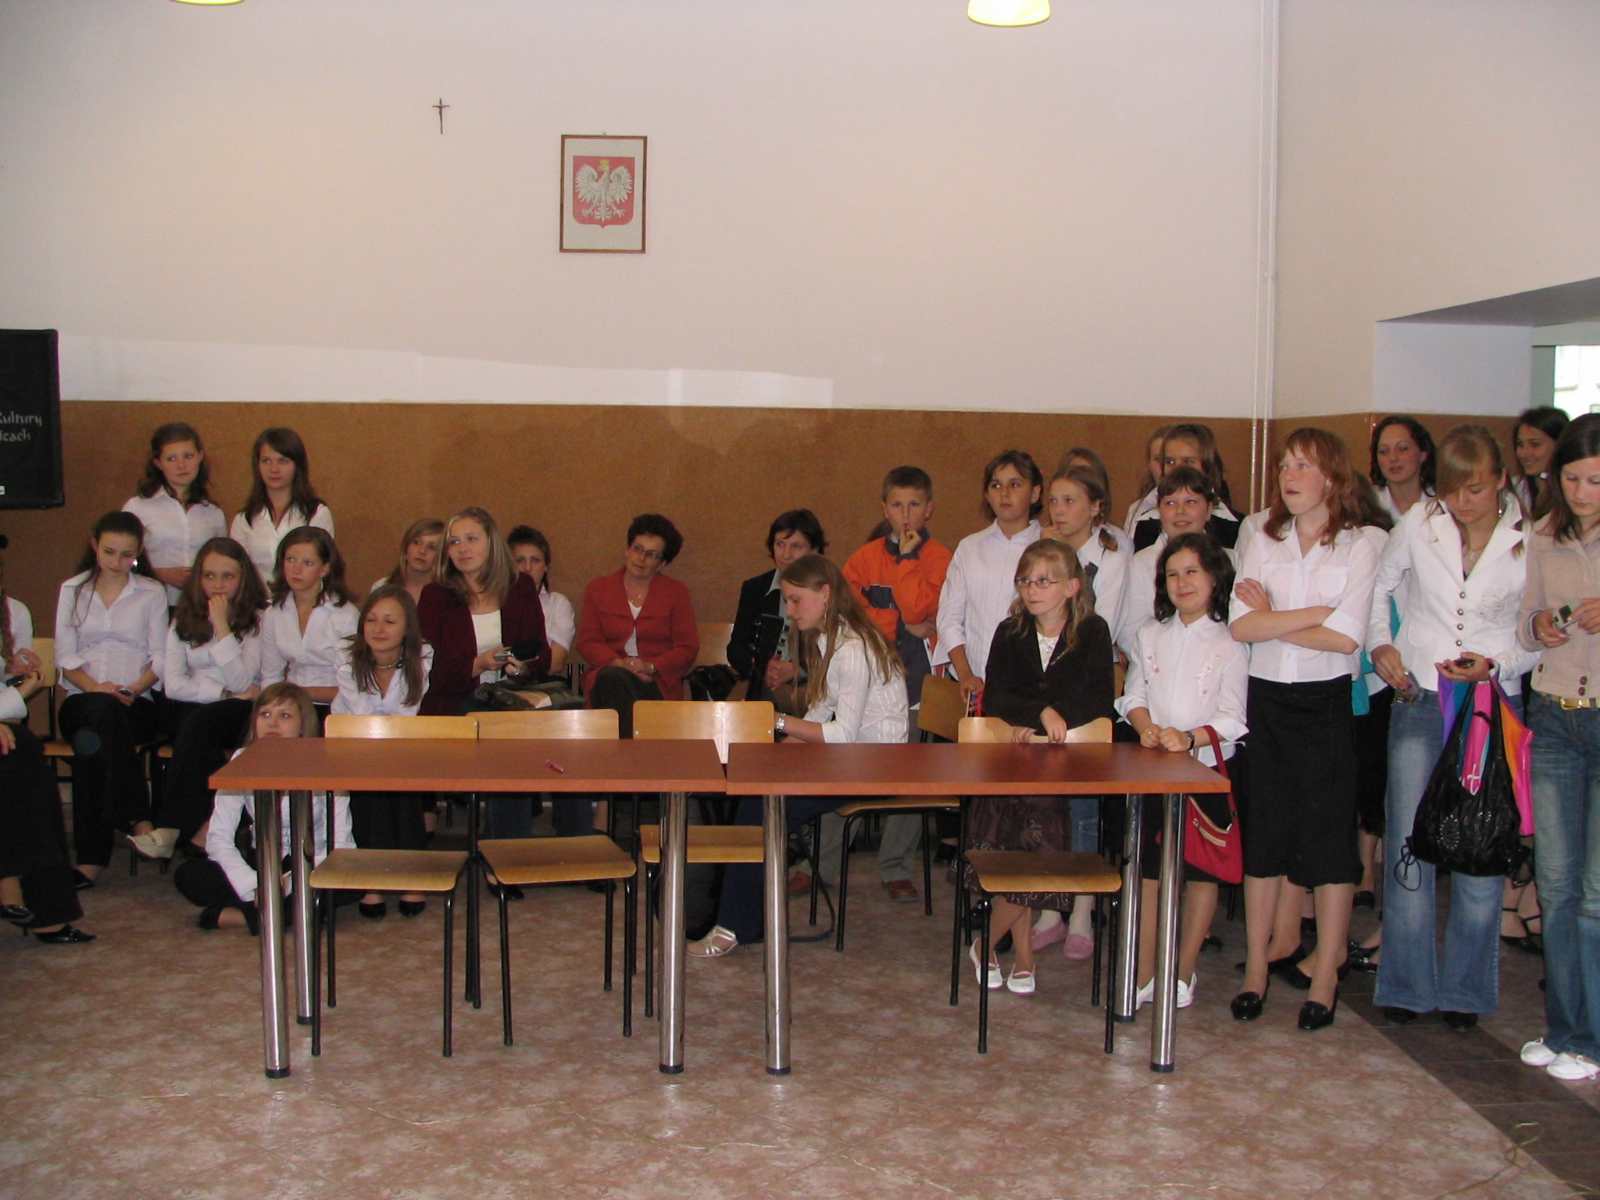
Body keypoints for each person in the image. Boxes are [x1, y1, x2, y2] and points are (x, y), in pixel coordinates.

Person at [1367, 425, 1535, 1029]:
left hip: (1491, 703)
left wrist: (1498, 664)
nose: (1464, 502)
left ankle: (1466, 991)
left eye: (1477, 489)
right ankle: (1406, 984)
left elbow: (1535, 632)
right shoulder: (1420, 522)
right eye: (1453, 490)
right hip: (1419, 695)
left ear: (1501, 481)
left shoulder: (1528, 539)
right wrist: (1380, 645)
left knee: (1481, 843)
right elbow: (1380, 586)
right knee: (1409, 840)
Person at [1229, 428, 1380, 1032]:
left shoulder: (1359, 544)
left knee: (1328, 838)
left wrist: (1274, 617)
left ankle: (1325, 978)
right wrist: (1313, 615)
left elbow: (1347, 639)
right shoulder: (1262, 538)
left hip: (1325, 703)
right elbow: (1241, 627)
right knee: (1265, 834)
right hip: (1267, 699)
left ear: (1332, 477)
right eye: (1284, 466)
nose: (1289, 476)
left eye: (1302, 466)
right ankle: (1255, 971)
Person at [689, 554, 908, 958]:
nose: (789, 611)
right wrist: (784, 746)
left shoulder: (852, 648)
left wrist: (778, 722)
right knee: (756, 791)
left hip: (876, 765)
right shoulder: (830, 638)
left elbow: (842, 735)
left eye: (795, 600)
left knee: (763, 805)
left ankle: (735, 925)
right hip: (854, 757)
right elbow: (823, 708)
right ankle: (744, 918)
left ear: (825, 594)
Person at [963, 538, 1115, 993]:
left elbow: (1097, 698)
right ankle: (1024, 953)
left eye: (1044, 581)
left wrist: (1050, 719)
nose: (1032, 589)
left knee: (1040, 857)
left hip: (1069, 762)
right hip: (1014, 762)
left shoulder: (1093, 631)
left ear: (1072, 587)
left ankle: (986, 942)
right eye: (1025, 581)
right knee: (1019, 854)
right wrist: (1036, 716)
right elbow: (999, 695)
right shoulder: (1009, 631)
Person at [1119, 533, 1247, 1009]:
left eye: (1192, 572)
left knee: (1201, 872)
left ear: (1214, 578)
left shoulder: (1231, 642)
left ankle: (1184, 967)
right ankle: (1144, 969)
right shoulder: (1150, 634)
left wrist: (1190, 738)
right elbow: (1133, 694)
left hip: (1206, 769)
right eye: (1172, 574)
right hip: (1154, 769)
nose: (1182, 582)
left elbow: (1234, 716)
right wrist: (1146, 727)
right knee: (1150, 871)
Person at [1517, 413, 1600, 1081]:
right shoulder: (1543, 534)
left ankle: (1592, 1040)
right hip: (1553, 716)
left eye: (1595, 481)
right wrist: (1540, 625)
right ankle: (1565, 1028)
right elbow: (1525, 623)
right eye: (1571, 479)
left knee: (1596, 893)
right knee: (1557, 884)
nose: (1581, 492)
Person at [836, 467, 953, 903]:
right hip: (870, 678)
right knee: (844, 767)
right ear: (884, 509)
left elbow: (921, 607)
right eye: (897, 505)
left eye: (915, 505)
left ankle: (896, 866)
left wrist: (905, 563)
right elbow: (848, 615)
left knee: (912, 774)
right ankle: (820, 864)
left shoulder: (940, 558)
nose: (906, 515)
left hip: (920, 681)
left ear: (929, 509)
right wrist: (898, 621)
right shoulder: (863, 559)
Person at [174, 684, 352, 932]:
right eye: (265, 714)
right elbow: (218, 838)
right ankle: (280, 913)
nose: (272, 723)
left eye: (285, 716)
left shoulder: (327, 763)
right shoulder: (241, 760)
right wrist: (255, 885)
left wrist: (287, 884)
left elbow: (343, 846)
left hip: (313, 861)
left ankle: (245, 915)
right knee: (189, 875)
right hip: (262, 861)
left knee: (345, 883)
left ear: (303, 725)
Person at [131, 538, 268, 861]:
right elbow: (173, 685)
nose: (217, 585)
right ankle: (208, 829)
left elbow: (241, 680)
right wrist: (220, 693)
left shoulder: (259, 619)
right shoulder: (183, 618)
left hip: (238, 712)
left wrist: (221, 627)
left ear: (243, 578)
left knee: (200, 725)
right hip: (197, 707)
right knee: (196, 728)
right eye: (209, 576)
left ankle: (172, 827)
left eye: (227, 576)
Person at [418, 508, 550, 840]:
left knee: (519, 731)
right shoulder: (436, 596)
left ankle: (513, 846)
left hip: (511, 699)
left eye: (471, 539)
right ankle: (502, 845)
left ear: (491, 543)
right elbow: (431, 669)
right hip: (455, 701)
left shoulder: (520, 588)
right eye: (454, 542)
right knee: (502, 734)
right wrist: (477, 664)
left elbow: (541, 654)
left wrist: (522, 666)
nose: (462, 548)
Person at [55, 512, 168, 885]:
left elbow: (160, 656)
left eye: (127, 554)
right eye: (109, 552)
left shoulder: (151, 592)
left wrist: (132, 688)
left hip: (136, 702)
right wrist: (95, 687)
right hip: (81, 698)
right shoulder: (73, 589)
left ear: (138, 553)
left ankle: (91, 860)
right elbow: (65, 656)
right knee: (98, 715)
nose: (117, 562)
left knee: (90, 746)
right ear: (94, 545)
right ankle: (137, 816)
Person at [1, 536, 93, 943]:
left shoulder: (12, 611)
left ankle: (37, 903)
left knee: (25, 758)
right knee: (21, 756)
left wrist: (15, 672)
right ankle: (19, 891)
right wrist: (18, 693)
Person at [336, 585, 435, 917]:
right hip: (353, 744)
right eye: (371, 620)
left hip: (402, 744)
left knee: (402, 776)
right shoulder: (346, 656)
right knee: (370, 779)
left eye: (390, 621)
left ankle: (411, 874)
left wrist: (387, 736)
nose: (378, 629)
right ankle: (372, 879)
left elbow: (407, 713)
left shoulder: (423, 655)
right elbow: (361, 715)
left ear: (407, 628)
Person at [936, 450, 1044, 705]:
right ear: (986, 494)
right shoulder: (969, 548)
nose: (1004, 493)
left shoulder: (1048, 549)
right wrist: (965, 674)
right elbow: (949, 618)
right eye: (996, 485)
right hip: (972, 685)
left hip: (1029, 689)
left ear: (1035, 493)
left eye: (1015, 484)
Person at [576, 514, 697, 739]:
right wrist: (619, 664)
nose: (641, 559)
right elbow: (588, 641)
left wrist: (650, 667)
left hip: (656, 683)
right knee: (613, 679)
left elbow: (687, 648)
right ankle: (631, 751)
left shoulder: (676, 593)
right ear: (627, 550)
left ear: (662, 563)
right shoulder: (598, 589)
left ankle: (619, 753)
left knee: (617, 686)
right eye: (637, 549)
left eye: (651, 555)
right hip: (608, 676)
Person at [1115, 466, 1225, 659]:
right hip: (1155, 663)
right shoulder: (1140, 563)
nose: (1180, 511)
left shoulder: (1230, 559)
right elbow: (1129, 631)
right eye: (1170, 503)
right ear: (1159, 510)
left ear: (1209, 510)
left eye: (1191, 502)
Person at [728, 509, 827, 709]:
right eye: (779, 544)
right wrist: (763, 670)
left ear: (814, 550)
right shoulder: (755, 588)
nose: (786, 555)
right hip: (763, 684)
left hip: (812, 688)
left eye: (796, 546)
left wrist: (797, 670)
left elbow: (836, 653)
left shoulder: (827, 590)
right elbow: (736, 648)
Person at [122, 422, 227, 604]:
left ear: (200, 456)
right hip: (149, 603)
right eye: (171, 458)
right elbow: (122, 559)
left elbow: (223, 562)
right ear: (158, 463)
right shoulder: (138, 507)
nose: (181, 465)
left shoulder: (213, 513)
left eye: (188, 456)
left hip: (201, 605)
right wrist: (158, 573)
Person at [259, 527, 358, 707]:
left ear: (324, 569)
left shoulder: (345, 615)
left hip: (337, 706)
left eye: (307, 563)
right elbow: (271, 676)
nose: (296, 569)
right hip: (291, 705)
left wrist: (301, 693)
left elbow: (354, 685)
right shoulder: (274, 613)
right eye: (290, 560)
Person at [230, 427, 336, 581]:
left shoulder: (316, 513)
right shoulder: (244, 519)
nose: (274, 469)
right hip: (256, 596)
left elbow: (322, 568)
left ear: (297, 465)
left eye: (282, 461)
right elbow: (237, 571)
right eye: (266, 461)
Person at [1131, 423, 1240, 551]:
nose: (1178, 469)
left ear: (1207, 466)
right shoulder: (1146, 525)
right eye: (1170, 462)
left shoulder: (1234, 527)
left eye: (1188, 461)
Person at [507, 525, 576, 676]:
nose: (527, 568)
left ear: (546, 567)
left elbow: (555, 664)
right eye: (519, 560)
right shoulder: (496, 602)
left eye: (535, 560)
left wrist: (521, 671)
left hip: (539, 683)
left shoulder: (558, 604)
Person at [1369, 415, 1436, 523]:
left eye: (1403, 449)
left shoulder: (1441, 503)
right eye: (1383, 451)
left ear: (1423, 454)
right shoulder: (1368, 504)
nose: (1393, 458)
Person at [1512, 405, 1571, 522]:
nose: (1524, 453)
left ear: (1559, 445)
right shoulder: (1514, 489)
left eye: (1535, 444)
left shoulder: (1572, 493)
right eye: (1520, 444)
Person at [379, 518, 445, 605]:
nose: (422, 551)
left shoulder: (447, 596)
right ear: (405, 548)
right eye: (416, 542)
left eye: (432, 547)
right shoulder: (382, 587)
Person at [1123, 425, 1174, 535]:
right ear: (1149, 464)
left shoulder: (1205, 508)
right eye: (1157, 459)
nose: (1163, 467)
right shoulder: (1137, 509)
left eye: (1169, 461)